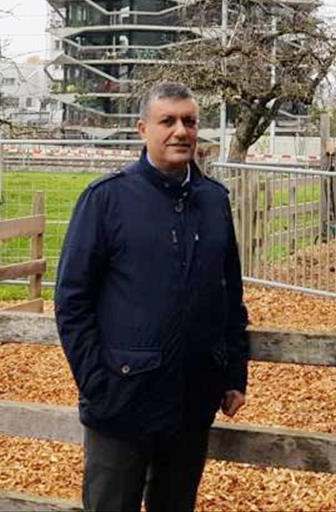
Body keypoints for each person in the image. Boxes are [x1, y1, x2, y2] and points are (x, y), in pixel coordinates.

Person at [55, 82, 249, 512]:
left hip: (191, 400)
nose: (181, 131)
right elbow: (72, 301)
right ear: (143, 129)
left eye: (190, 121)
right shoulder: (106, 199)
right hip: (121, 401)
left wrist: (233, 371)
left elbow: (229, 294)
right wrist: (97, 384)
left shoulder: (214, 201)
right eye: (168, 121)